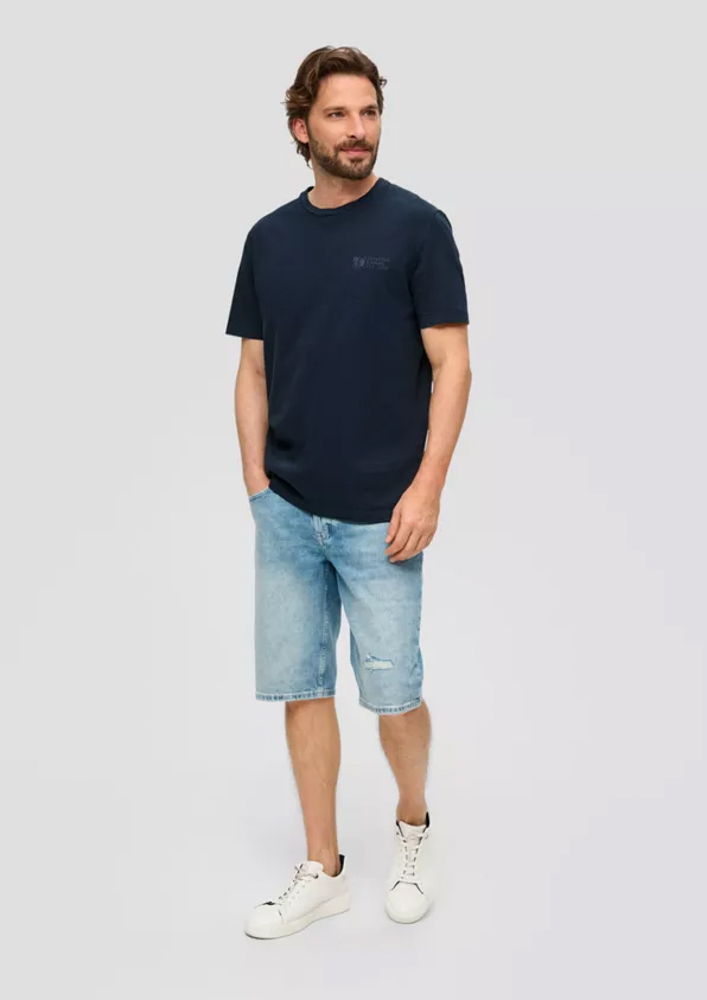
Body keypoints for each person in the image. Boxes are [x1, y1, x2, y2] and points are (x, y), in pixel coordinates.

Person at [224, 45, 472, 939]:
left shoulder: (417, 227)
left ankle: (413, 826)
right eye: (337, 114)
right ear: (303, 128)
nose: (357, 129)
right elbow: (253, 368)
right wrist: (257, 483)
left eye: (368, 112)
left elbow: (453, 366)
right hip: (288, 510)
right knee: (302, 688)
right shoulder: (268, 239)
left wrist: (427, 489)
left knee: (394, 693)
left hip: (383, 516)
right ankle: (322, 868)